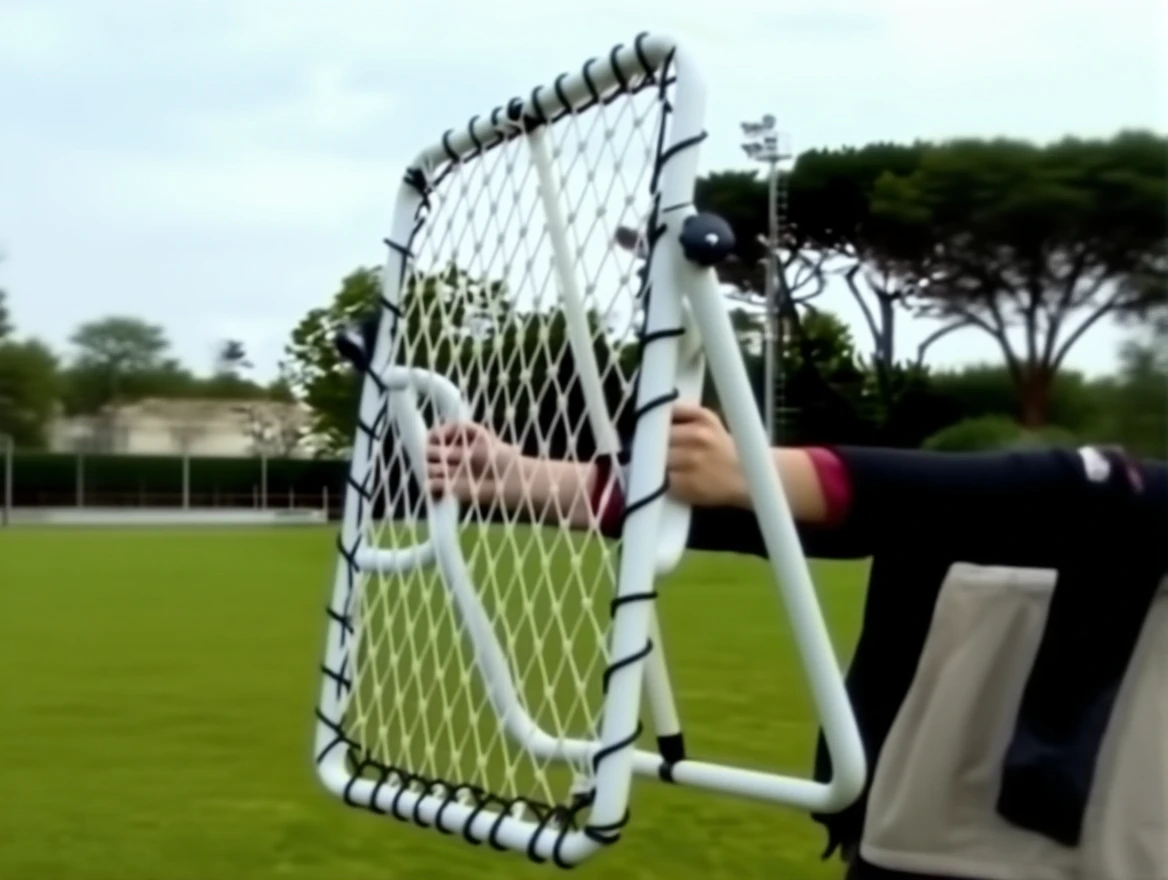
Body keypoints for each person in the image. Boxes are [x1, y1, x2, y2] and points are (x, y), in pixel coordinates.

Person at [426, 403, 1168, 880]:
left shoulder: (1120, 502)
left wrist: (755, 470)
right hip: (920, 844)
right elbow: (904, 512)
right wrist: (529, 481)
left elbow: (1089, 493)